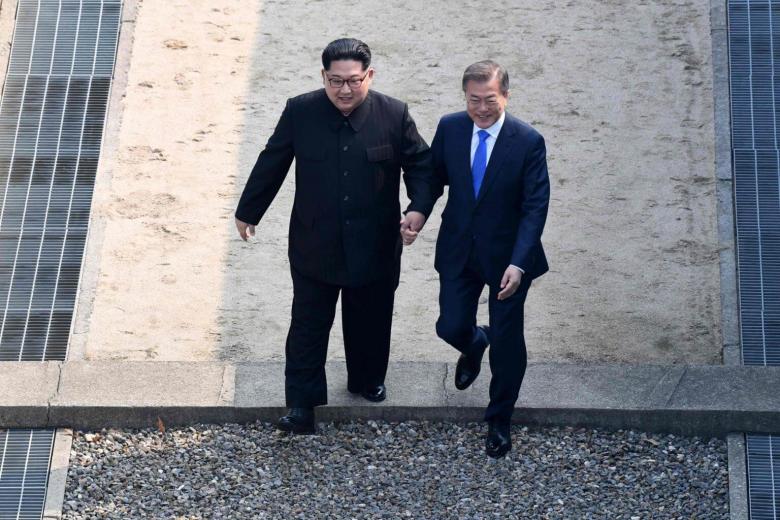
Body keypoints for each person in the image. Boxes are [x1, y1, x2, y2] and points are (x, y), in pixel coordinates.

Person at [234, 38, 432, 434]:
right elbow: (273, 159)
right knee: (308, 324)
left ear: (369, 76)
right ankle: (301, 405)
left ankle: (367, 379)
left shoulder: (394, 114)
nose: (345, 90)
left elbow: (423, 167)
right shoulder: (301, 111)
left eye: (354, 81)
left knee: (371, 319)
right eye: (335, 81)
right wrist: (248, 211)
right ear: (323, 76)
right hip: (314, 243)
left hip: (375, 243)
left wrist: (417, 209)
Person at [403, 60, 549, 458]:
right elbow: (433, 178)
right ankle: (473, 342)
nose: (481, 109)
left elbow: (535, 207)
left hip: (509, 260)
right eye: (473, 100)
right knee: (450, 325)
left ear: (505, 95)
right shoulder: (451, 127)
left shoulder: (527, 141)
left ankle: (499, 417)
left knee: (507, 341)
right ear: (464, 96)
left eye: (490, 100)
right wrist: (418, 210)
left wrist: (519, 263)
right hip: (459, 249)